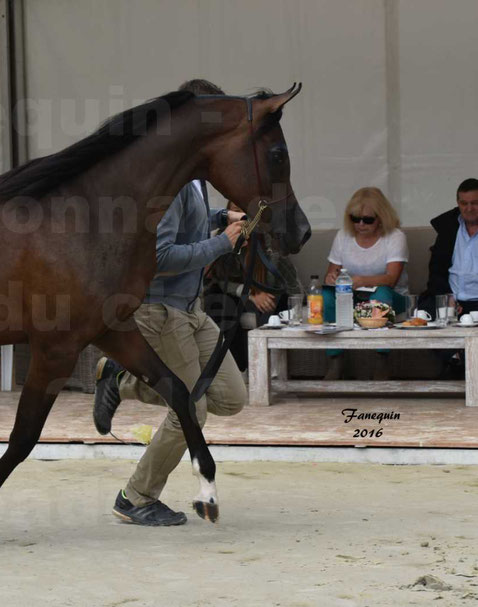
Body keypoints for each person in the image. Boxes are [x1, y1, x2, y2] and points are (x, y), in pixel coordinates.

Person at [92, 79, 249, 527]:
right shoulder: (170, 179)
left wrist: (222, 218)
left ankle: (120, 381)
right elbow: (157, 257)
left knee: (230, 398)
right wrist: (222, 243)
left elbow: (187, 228)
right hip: (160, 309)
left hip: (191, 308)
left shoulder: (195, 176)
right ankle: (135, 497)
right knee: (189, 411)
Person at [322, 187, 408, 380]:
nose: (360, 224)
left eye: (368, 219)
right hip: (352, 298)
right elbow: (331, 273)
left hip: (392, 298)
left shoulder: (395, 237)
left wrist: (361, 280)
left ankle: (381, 359)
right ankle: (335, 359)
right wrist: (331, 278)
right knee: (326, 295)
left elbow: (391, 279)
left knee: (381, 295)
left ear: (381, 218)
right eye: (355, 218)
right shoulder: (343, 236)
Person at [204, 202, 299, 371]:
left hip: (270, 294)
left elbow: (289, 282)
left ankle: (269, 370)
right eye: (235, 211)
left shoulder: (271, 240)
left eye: (245, 212)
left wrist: (292, 305)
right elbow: (218, 280)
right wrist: (249, 294)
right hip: (236, 295)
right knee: (220, 302)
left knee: (273, 309)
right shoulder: (221, 237)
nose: (240, 217)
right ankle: (237, 368)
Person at [420, 178, 478, 378]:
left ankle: (463, 365)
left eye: (475, 203)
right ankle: (455, 359)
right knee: (421, 316)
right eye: (464, 203)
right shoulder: (448, 228)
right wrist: (447, 296)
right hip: (451, 297)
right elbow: (435, 269)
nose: (469, 208)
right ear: (458, 203)